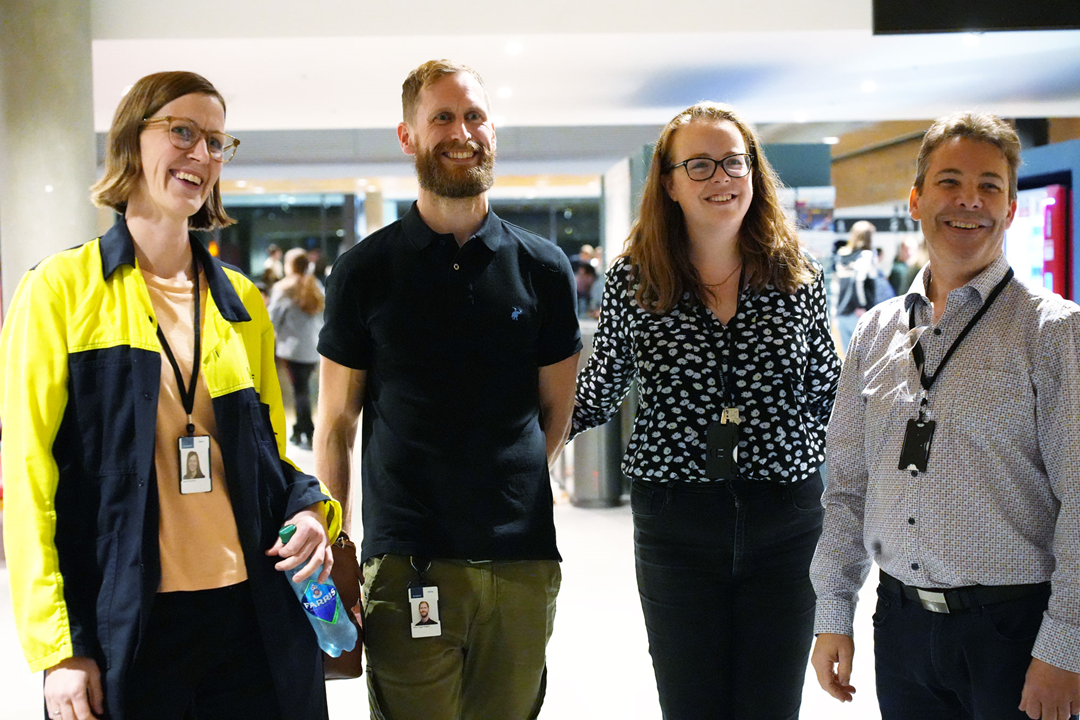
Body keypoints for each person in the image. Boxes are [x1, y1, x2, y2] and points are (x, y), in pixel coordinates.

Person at [0, 71, 342, 720]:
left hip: (253, 618)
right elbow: (27, 476)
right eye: (182, 131)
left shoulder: (241, 302)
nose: (202, 155)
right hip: (128, 623)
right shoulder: (59, 292)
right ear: (132, 140)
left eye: (216, 141)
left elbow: (272, 460)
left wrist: (311, 513)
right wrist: (57, 648)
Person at [314, 59, 580, 720]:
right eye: (442, 118)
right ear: (408, 138)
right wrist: (338, 544)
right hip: (407, 561)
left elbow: (557, 408)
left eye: (475, 116)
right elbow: (336, 422)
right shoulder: (364, 271)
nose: (463, 132)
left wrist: (505, 484)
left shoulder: (543, 269)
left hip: (521, 562)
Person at [571, 101, 841, 720]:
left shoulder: (796, 275)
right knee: (691, 704)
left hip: (787, 519)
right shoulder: (634, 279)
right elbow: (600, 390)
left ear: (754, 173)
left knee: (771, 706)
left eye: (734, 162)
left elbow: (826, 390)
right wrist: (513, 440)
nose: (722, 178)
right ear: (668, 182)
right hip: (676, 526)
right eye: (700, 165)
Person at [810, 112, 1080, 720]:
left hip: (1014, 632)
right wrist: (834, 613)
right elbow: (847, 487)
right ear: (916, 199)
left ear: (1011, 208)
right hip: (901, 627)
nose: (969, 200)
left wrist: (1066, 647)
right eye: (950, 181)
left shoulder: (1053, 332)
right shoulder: (877, 331)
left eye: (990, 185)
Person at [268, 247, 325, 451]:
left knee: (299, 391)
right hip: (314, 347)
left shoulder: (284, 288)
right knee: (304, 389)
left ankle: (307, 430)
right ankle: (299, 429)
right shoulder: (316, 285)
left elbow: (272, 318)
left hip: (292, 349)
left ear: (290, 266)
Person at [833, 220, 878, 350]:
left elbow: (836, 286)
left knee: (848, 358)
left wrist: (835, 312)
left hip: (842, 311)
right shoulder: (866, 255)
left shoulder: (841, 255)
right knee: (864, 357)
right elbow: (858, 281)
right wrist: (861, 305)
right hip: (859, 312)